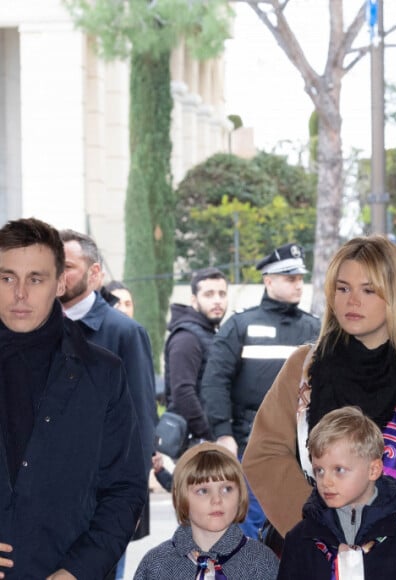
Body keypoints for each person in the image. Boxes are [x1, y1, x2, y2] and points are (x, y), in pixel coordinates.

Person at [242, 234, 396, 540]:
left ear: (394, 294)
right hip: (318, 554)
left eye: (368, 290)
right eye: (342, 288)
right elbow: (264, 456)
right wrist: (316, 526)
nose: (352, 301)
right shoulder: (303, 369)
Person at [0, 217, 146, 578]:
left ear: (60, 282)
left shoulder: (102, 373)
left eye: (35, 279)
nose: (20, 294)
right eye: (7, 278)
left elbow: (125, 491)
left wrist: (77, 570)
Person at [201, 242, 321, 538]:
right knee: (250, 527)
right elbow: (215, 381)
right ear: (269, 281)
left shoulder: (315, 328)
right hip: (250, 442)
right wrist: (223, 433)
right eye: (290, 278)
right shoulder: (241, 325)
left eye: (299, 278)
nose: (298, 285)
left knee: (300, 526)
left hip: (303, 446)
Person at [58, 229, 157, 579]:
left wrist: (127, 505)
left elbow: (142, 421)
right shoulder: (34, 328)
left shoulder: (124, 333)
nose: (57, 273)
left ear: (95, 274)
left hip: (101, 503)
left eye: (67, 265)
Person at [278, 406, 396, 579]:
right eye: (319, 470)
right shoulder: (302, 539)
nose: (326, 481)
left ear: (373, 470)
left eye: (339, 469)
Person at [134, 442, 279, 579]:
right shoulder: (155, 565)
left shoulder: (263, 563)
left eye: (226, 489)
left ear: (241, 495)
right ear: (182, 497)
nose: (217, 499)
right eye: (203, 491)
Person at [164, 267, 228, 444]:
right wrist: (209, 434)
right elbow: (182, 392)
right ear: (194, 300)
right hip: (195, 441)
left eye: (222, 294)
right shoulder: (187, 338)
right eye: (209, 294)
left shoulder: (209, 332)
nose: (217, 301)